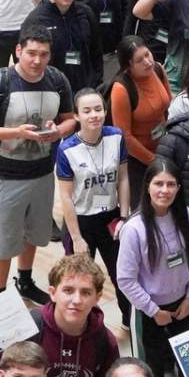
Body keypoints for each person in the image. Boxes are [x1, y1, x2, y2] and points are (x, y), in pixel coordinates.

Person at [0, 29, 73, 302]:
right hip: (6, 175)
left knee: (34, 231)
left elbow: (71, 119)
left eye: (43, 54)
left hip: (42, 172)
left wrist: (59, 130)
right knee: (4, 239)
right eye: (31, 53)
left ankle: (25, 281)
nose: (37, 60)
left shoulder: (57, 80)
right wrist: (16, 132)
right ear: (18, 51)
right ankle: (0, 295)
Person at [115, 159, 189, 377]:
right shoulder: (134, 229)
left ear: (178, 188)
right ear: (147, 187)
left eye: (171, 184)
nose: (164, 190)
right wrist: (154, 311)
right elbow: (125, 279)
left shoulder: (185, 214)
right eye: (158, 184)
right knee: (150, 375)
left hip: (185, 305)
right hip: (149, 312)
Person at [55, 88, 129, 322]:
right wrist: (76, 238)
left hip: (111, 218)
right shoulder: (67, 149)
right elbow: (66, 197)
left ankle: (129, 321)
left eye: (98, 109)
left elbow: (124, 178)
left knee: (122, 275)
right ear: (76, 116)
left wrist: (125, 217)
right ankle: (83, 325)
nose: (94, 115)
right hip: (81, 221)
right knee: (80, 281)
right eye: (86, 111)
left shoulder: (116, 137)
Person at [108, 35, 173, 207]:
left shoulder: (158, 69)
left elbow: (168, 106)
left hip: (163, 148)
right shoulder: (121, 88)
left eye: (147, 54)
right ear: (128, 66)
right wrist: (153, 160)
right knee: (143, 207)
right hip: (137, 159)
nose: (147, 62)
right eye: (139, 60)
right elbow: (125, 137)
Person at [22, 0, 100, 91]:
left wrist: (96, 83)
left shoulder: (85, 13)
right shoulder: (36, 20)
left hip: (83, 89)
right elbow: (27, 59)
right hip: (50, 90)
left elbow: (96, 52)